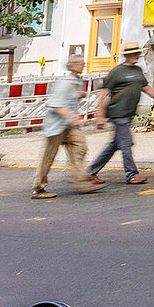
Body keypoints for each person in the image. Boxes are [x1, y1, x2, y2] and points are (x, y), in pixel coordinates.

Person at [85, 41, 154, 186]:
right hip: (118, 114)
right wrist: (100, 116)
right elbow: (103, 94)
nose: (138, 55)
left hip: (128, 114)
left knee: (115, 145)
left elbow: (147, 89)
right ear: (127, 55)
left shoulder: (137, 71)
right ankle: (131, 175)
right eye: (135, 53)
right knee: (126, 144)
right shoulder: (116, 72)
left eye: (138, 53)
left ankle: (90, 172)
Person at [33, 53, 97, 198]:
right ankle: (38, 188)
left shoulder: (75, 80)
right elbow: (58, 106)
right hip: (56, 126)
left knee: (80, 147)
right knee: (48, 157)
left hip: (68, 125)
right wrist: (76, 120)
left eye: (83, 63)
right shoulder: (65, 83)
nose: (83, 65)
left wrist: (78, 94)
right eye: (80, 63)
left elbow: (68, 97)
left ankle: (77, 178)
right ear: (72, 66)